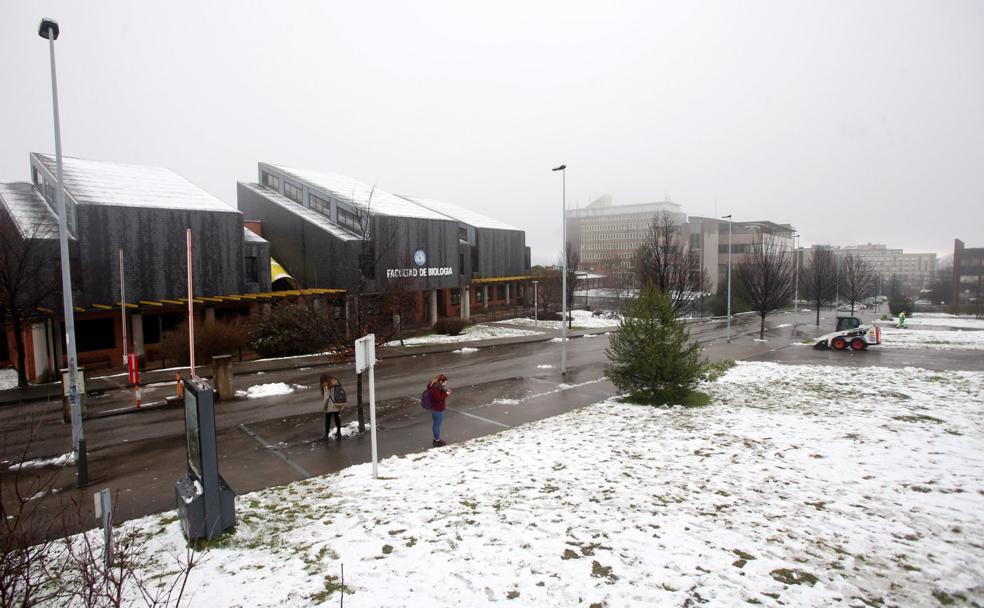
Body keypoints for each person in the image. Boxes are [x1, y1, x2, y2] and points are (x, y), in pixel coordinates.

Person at [427, 373, 451, 447]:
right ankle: (437, 440)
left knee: (436, 424)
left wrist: (445, 392)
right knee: (437, 425)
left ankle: (436, 439)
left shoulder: (436, 386)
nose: (445, 384)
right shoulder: (435, 388)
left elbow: (439, 394)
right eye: (445, 383)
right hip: (437, 409)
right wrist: (447, 393)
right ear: (440, 382)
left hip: (436, 408)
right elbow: (438, 398)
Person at [321, 374, 342, 440]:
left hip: (330, 405)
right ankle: (339, 433)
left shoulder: (326, 385)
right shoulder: (337, 382)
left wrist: (324, 407)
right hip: (337, 403)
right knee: (337, 418)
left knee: (328, 419)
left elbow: (326, 398)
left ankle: (326, 435)